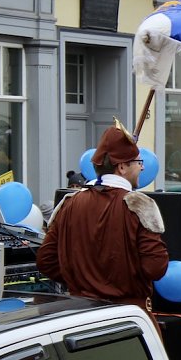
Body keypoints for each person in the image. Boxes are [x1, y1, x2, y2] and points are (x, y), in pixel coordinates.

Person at [37, 120, 169, 315]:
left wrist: (82, 283)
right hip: (127, 319)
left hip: (79, 314)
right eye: (138, 162)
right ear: (122, 167)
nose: (142, 168)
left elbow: (46, 261)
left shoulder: (69, 203)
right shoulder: (139, 205)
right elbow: (155, 268)